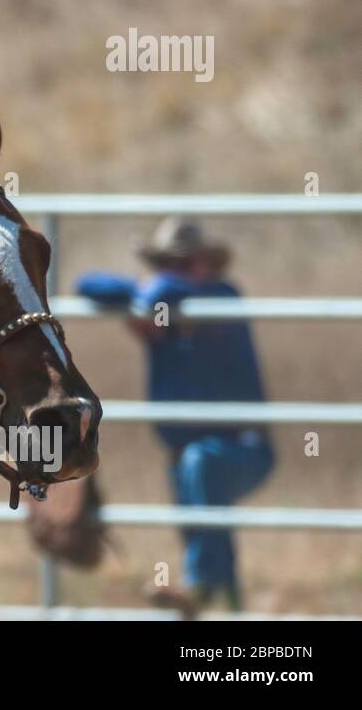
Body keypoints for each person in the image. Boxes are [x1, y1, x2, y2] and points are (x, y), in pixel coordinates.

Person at [75, 217, 274, 615]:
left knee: (202, 469)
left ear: (207, 264)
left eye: (183, 263)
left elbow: (177, 294)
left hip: (243, 447)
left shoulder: (221, 299)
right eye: (166, 262)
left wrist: (156, 291)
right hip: (189, 449)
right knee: (203, 504)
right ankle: (228, 603)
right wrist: (144, 292)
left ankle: (198, 587)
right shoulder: (160, 304)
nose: (174, 272)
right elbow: (88, 284)